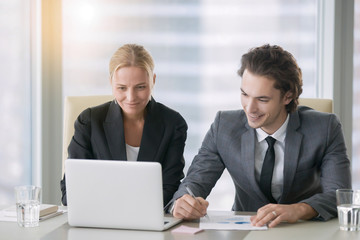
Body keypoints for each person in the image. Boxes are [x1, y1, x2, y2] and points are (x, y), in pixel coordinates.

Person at [169, 44, 351, 228]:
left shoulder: (325, 128)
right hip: (246, 229)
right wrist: (183, 202)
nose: (250, 108)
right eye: (244, 94)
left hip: (304, 228)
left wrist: (298, 209)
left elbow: (339, 195)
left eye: (262, 99)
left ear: (288, 96)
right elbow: (194, 183)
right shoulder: (223, 126)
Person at [60, 44, 187, 207]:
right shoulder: (89, 122)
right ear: (111, 82)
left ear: (153, 80)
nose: (131, 97)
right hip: (99, 217)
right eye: (122, 88)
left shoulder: (173, 124)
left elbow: (170, 189)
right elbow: (70, 192)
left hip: (148, 220)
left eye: (140, 87)